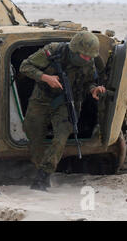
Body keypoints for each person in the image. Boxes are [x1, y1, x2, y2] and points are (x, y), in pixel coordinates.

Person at [20, 31, 106, 191]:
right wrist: (46, 77)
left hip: (67, 102)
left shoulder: (89, 61)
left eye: (90, 57)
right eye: (85, 56)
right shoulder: (53, 50)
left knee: (61, 138)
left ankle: (43, 176)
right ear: (75, 50)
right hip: (42, 99)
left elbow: (89, 82)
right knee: (33, 133)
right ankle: (40, 166)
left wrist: (94, 89)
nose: (88, 59)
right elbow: (25, 66)